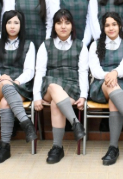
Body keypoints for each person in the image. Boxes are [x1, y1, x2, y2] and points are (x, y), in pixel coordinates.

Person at [33, 10, 89, 164]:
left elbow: (83, 72)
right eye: (59, 23)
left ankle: (57, 147)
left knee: (56, 103)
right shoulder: (46, 45)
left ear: (72, 26)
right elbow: (40, 72)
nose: (63, 26)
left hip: (72, 87)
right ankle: (75, 123)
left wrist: (83, 95)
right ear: (54, 26)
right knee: (53, 85)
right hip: (49, 87)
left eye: (67, 23)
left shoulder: (80, 46)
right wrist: (36, 96)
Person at [89, 12, 123, 166]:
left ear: (119, 26)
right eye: (107, 25)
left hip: (122, 84)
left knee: (114, 96)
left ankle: (113, 148)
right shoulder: (95, 44)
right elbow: (95, 70)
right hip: (100, 85)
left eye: (114, 24)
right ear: (103, 28)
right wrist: (109, 76)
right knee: (111, 85)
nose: (111, 28)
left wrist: (115, 73)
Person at [0, 10, 38, 164]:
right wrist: (0, 78)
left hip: (20, 85)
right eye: (9, 22)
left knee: (5, 102)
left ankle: (4, 146)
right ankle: (26, 122)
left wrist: (16, 81)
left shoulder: (29, 44)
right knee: (5, 85)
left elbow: (29, 71)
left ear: (21, 25)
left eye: (16, 22)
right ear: (4, 25)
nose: (12, 26)